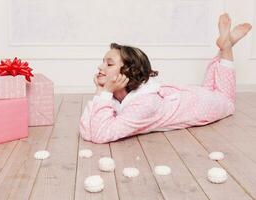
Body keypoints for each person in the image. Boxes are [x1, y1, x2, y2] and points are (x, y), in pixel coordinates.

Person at [79, 13, 252, 143]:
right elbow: (88, 131)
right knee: (211, 88)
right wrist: (101, 91)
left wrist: (104, 92)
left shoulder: (145, 104)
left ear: (128, 72)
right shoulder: (116, 96)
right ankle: (226, 47)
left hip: (202, 104)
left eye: (109, 64)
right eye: (103, 62)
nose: (100, 67)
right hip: (193, 95)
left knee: (227, 101)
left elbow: (100, 135)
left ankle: (226, 48)